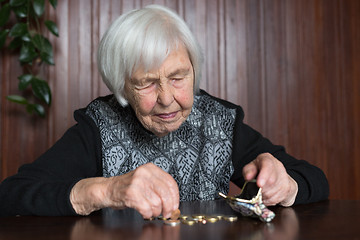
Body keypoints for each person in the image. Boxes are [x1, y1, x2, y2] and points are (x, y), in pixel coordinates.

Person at [0, 5, 329, 218]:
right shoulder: (98, 126)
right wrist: (102, 190)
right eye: (146, 83)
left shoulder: (220, 122)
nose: (167, 99)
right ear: (122, 87)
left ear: (193, 72)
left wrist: (286, 187)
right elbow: (11, 196)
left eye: (178, 77)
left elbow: (315, 180)